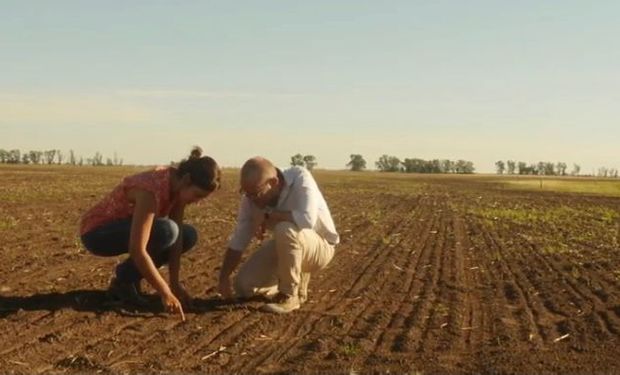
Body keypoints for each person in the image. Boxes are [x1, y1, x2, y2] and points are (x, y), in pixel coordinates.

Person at [80, 147, 220, 320]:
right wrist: (165, 292)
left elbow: (177, 243)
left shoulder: (178, 190)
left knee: (187, 235)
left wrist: (175, 284)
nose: (197, 202)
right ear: (186, 180)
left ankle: (126, 280)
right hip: (97, 233)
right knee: (167, 231)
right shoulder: (150, 191)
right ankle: (124, 281)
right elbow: (137, 249)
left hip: (122, 229)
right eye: (197, 195)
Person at [217, 156, 339, 314]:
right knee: (244, 286)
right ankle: (287, 278)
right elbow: (239, 239)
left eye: (256, 194)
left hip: (320, 247)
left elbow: (307, 220)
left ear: (273, 183)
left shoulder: (299, 178)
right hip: (288, 246)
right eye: (246, 193)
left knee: (284, 228)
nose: (251, 199)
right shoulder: (250, 197)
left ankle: (290, 295)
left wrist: (269, 215)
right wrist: (224, 277)